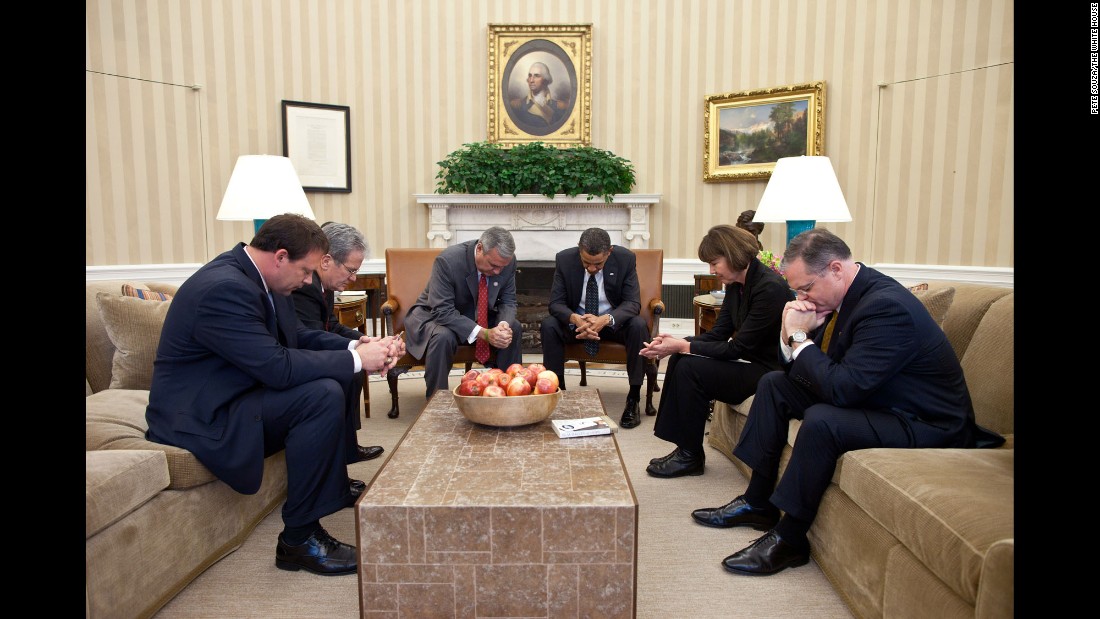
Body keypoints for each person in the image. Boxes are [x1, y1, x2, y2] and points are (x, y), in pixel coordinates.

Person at [691, 228, 1004, 576]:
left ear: (836, 269)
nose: (800, 297)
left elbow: (843, 390)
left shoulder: (885, 306)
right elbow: (807, 372)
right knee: (775, 384)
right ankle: (757, 501)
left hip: (925, 421)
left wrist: (798, 336)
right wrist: (788, 334)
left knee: (824, 420)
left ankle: (790, 540)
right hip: (879, 398)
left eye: (805, 287)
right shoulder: (845, 298)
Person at [145, 214, 405, 576]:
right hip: (201, 415)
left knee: (330, 383)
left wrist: (356, 344)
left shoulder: (267, 281)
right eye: (306, 271)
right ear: (280, 256)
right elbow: (276, 367)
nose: (309, 280)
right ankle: (298, 540)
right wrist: (357, 361)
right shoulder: (223, 288)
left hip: (237, 393)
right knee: (321, 395)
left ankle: (316, 513)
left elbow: (297, 338)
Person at [641, 225, 789, 476]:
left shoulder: (770, 288)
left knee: (690, 368)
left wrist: (684, 345)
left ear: (733, 255)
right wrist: (676, 342)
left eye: (714, 263)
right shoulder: (737, 285)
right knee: (682, 357)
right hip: (748, 362)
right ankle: (687, 449)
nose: (711, 270)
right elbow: (718, 334)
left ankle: (690, 456)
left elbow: (737, 348)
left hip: (767, 372)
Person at [291, 221, 384, 464]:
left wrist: (362, 339)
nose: (353, 278)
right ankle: (341, 451)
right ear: (327, 260)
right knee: (348, 372)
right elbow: (310, 336)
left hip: (315, 348)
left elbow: (331, 325)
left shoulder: (327, 283)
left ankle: (348, 446)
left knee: (352, 372)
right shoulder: (305, 285)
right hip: (300, 357)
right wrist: (358, 351)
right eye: (351, 270)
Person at [540, 227, 652, 429]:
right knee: (549, 325)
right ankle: (559, 393)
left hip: (611, 324)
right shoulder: (565, 259)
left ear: (609, 252)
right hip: (579, 324)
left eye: (598, 264)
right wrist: (575, 318)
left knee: (639, 326)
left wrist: (604, 319)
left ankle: (633, 398)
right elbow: (555, 304)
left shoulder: (625, 259)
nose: (591, 268)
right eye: (586, 263)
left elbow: (632, 304)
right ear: (579, 250)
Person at [403, 226, 523, 399]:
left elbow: (508, 301)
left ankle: (508, 394)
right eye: (493, 265)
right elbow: (442, 311)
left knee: (514, 328)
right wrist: (484, 333)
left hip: (474, 315)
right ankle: (437, 401)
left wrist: (503, 326)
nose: (497, 272)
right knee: (443, 336)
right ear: (480, 248)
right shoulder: (447, 261)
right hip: (435, 316)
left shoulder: (506, 262)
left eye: (501, 268)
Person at [508, 61, 570, 134]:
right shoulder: (517, 106)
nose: (531, 80)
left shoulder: (560, 107)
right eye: (530, 76)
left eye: (536, 76)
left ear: (545, 80)